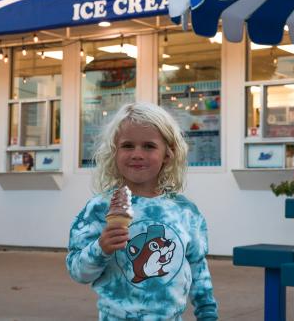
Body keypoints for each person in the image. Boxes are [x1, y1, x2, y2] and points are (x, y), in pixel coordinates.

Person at [66, 102, 218, 320]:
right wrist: (101, 248)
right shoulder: (99, 209)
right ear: (114, 152)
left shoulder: (185, 212)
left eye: (149, 146)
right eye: (128, 145)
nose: (137, 154)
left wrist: (207, 313)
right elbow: (78, 272)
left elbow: (198, 268)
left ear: (168, 153)